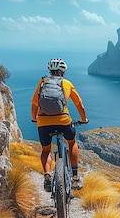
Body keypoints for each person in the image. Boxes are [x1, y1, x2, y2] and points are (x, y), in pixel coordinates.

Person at [31, 58, 88, 192]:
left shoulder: (42, 82)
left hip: (43, 122)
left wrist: (34, 118)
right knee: (72, 143)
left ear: (50, 71)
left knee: (46, 150)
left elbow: (34, 104)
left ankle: (47, 176)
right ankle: (75, 178)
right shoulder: (67, 83)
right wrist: (84, 119)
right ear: (62, 72)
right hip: (63, 121)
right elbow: (79, 104)